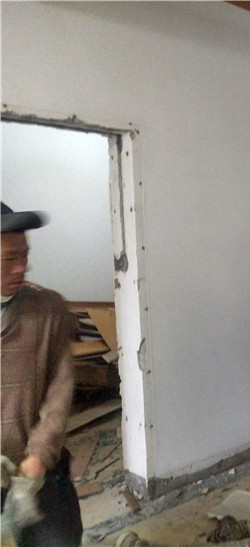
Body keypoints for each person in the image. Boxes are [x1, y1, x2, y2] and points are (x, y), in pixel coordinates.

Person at [1, 202, 83, 546]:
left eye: (25, 255)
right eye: (10, 258)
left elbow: (60, 389)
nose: (23, 267)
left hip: (40, 472)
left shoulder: (47, 309)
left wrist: (39, 455)